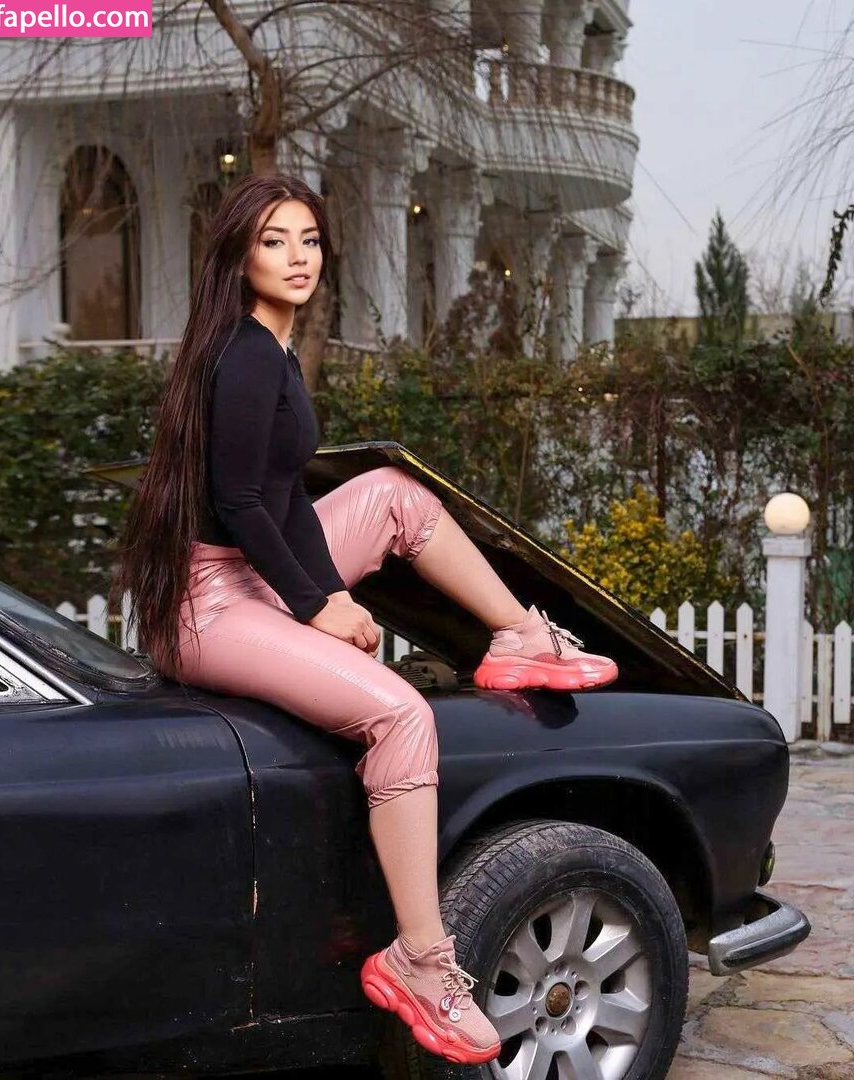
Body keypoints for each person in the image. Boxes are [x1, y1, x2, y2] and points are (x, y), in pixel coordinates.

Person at [110, 172, 618, 1066]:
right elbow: (239, 502)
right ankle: (419, 960)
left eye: (309, 239)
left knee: (390, 495)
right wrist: (318, 604)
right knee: (402, 716)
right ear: (238, 255)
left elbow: (284, 501)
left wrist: (331, 599)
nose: (298, 257)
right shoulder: (244, 356)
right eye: (274, 240)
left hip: (249, 577)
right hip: (206, 606)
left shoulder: (272, 349)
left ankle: (518, 635)